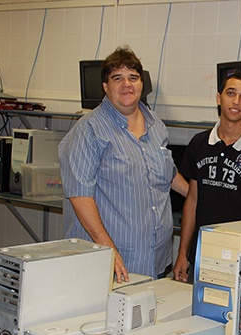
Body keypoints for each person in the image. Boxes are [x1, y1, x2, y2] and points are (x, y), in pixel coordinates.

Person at [59, 46, 188, 282]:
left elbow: (167, 172)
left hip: (155, 259)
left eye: (133, 77)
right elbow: (79, 196)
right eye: (117, 78)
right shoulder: (89, 130)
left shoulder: (156, 125)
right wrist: (108, 250)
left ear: (141, 84)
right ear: (105, 86)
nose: (126, 84)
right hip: (111, 263)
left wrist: (198, 196)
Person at [172, 71, 241, 283]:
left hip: (239, 261)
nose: (236, 101)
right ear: (219, 98)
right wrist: (182, 253)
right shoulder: (199, 143)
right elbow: (192, 201)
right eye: (231, 93)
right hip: (202, 255)